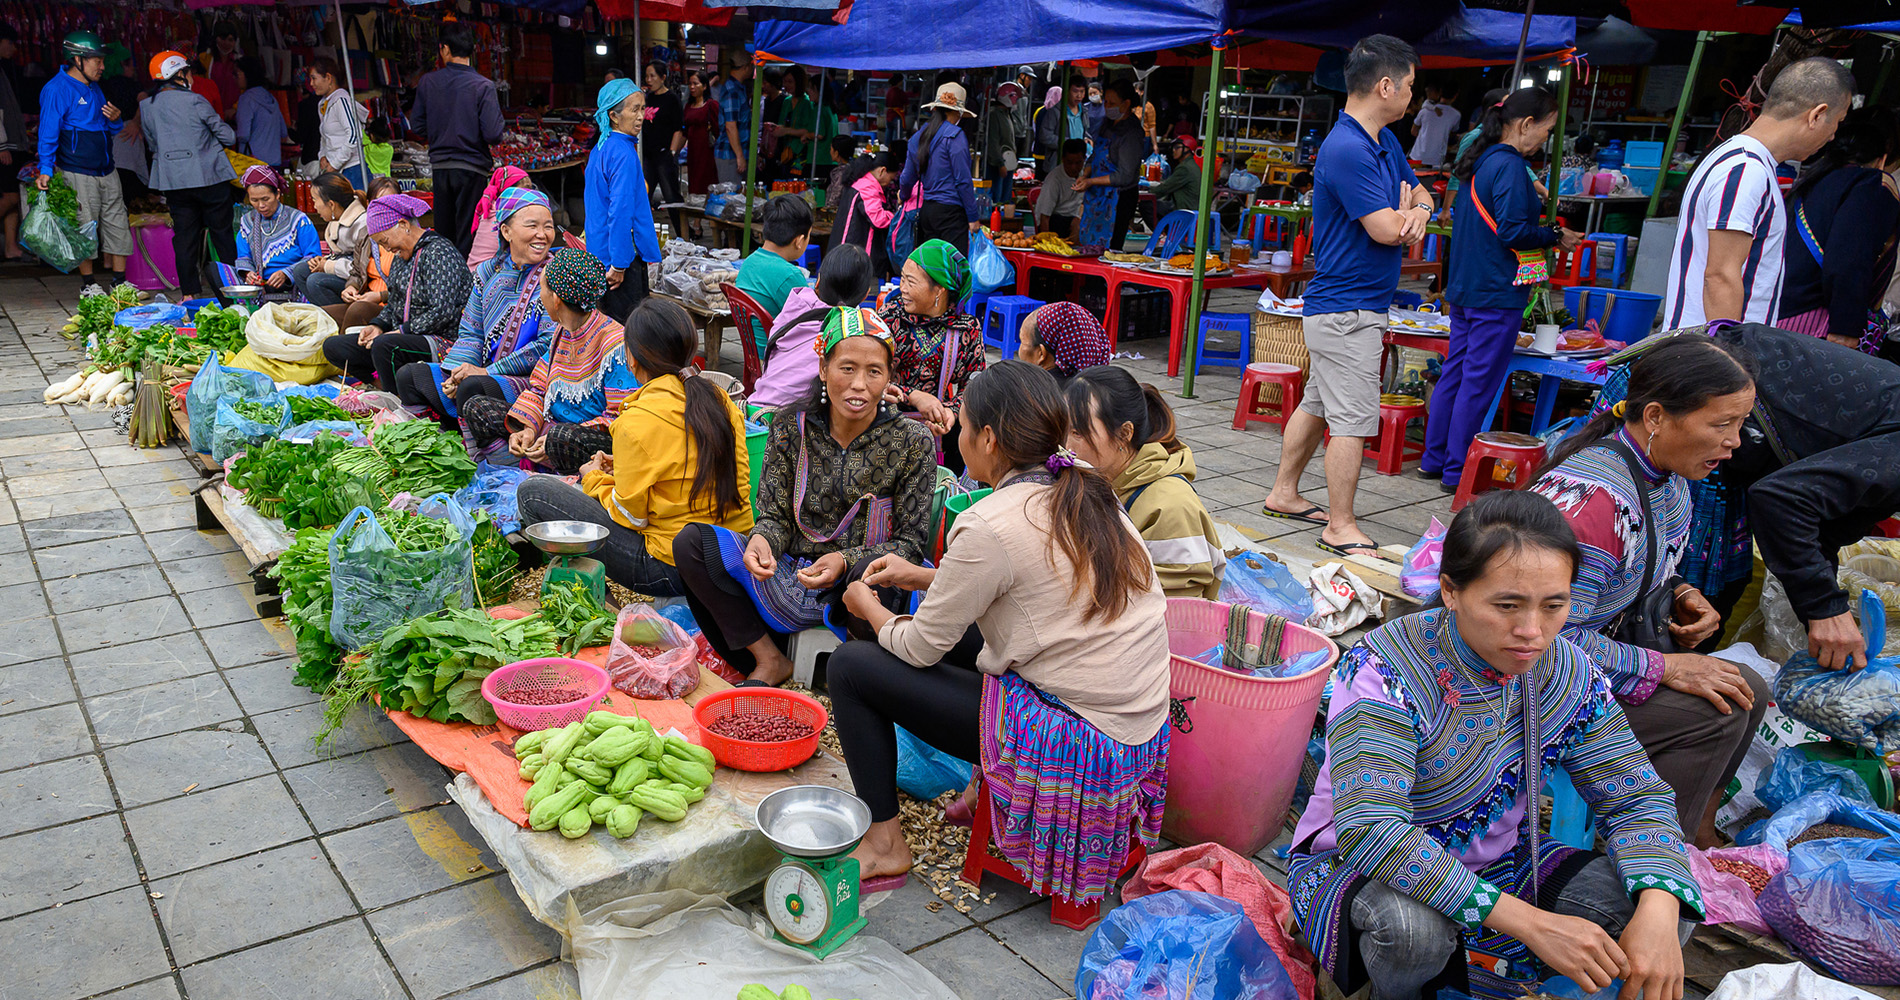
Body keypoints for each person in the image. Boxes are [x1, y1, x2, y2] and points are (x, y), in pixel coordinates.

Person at [1291, 489, 1702, 1000]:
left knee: (1663, 917)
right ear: (1450, 590)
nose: (1532, 631)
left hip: (1501, 862)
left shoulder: (1567, 671)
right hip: (1354, 868)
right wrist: (1532, 925)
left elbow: (1637, 796)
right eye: (1507, 605)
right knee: (1414, 932)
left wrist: (1659, 908)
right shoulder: (1386, 667)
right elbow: (1372, 829)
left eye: (1554, 605)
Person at [826, 359, 1171, 896]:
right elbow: (1037, 586)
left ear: (987, 438)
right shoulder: (1083, 486)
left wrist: (866, 604)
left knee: (851, 666)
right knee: (958, 632)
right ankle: (976, 791)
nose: (957, 435)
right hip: (1134, 727)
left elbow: (918, 649)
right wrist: (925, 575)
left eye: (962, 425)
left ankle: (885, 844)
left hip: (1075, 742)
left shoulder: (991, 520)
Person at [1533, 337, 1770, 851]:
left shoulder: (1670, 479)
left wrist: (1680, 591)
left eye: (1740, 424)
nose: (1735, 442)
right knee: (1714, 715)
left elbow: (1643, 566)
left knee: (1749, 686)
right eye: (1720, 424)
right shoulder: (1595, 505)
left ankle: (1695, 831)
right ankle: (1650, 868)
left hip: (1588, 664)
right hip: (1523, 684)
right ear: (1658, 417)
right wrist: (1666, 668)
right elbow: (1542, 641)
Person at [672, 307, 936, 686]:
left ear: (889, 377)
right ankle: (769, 658)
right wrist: (763, 539)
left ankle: (858, 677)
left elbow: (910, 545)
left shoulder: (913, 442)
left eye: (874, 371)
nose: (860, 384)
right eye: (847, 368)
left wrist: (845, 562)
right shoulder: (788, 428)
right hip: (790, 574)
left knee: (872, 576)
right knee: (692, 543)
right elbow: (774, 515)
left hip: (860, 592)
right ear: (823, 369)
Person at [1262, 34, 1434, 559]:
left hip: (1351, 306)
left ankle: (1284, 493)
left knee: (1317, 404)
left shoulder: (1383, 142)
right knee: (1354, 419)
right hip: (1346, 309)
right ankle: (1340, 526)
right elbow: (1385, 230)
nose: (1412, 96)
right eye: (1408, 85)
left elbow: (1423, 195)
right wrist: (1405, 220)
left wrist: (1417, 212)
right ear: (1385, 85)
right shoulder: (1348, 147)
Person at [518, 297, 753, 596]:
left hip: (672, 569)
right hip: (731, 553)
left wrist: (593, 478)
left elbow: (631, 517)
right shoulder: (720, 399)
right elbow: (692, 472)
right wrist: (624, 467)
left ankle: (581, 596)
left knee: (533, 492)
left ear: (631, 358)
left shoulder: (637, 421)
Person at [1422, 88, 1581, 492]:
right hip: (1495, 290)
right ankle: (1458, 472)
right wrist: (1554, 234)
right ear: (1526, 124)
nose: (1546, 138)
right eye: (1546, 130)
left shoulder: (1484, 159)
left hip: (1467, 286)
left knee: (1455, 375)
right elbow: (1513, 231)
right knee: (1477, 381)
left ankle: (1434, 459)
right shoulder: (1509, 166)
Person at [1664, 57, 1854, 330]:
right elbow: (1720, 276)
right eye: (1838, 121)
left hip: (1704, 352)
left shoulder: (1740, 159)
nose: (1834, 135)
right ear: (1816, 115)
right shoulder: (1745, 171)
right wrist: (1733, 359)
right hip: (1711, 358)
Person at [393, 186, 556, 445]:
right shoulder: (487, 272)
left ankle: (488, 456)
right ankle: (444, 443)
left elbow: (547, 346)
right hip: (483, 372)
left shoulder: (554, 276)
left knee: (473, 388)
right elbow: (471, 331)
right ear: (506, 231)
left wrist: (485, 372)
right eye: (532, 225)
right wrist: (458, 372)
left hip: (532, 381)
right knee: (410, 376)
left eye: (548, 226)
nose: (542, 234)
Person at [1064, 364, 1224, 598]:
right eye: (1064, 431)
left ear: (1124, 433)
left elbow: (1180, 606)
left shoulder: (1171, 506)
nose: (1067, 447)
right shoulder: (1100, 477)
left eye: (1078, 433)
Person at [498, 247, 639, 475]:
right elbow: (539, 387)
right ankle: (516, 468)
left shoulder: (615, 344)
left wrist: (551, 439)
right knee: (479, 407)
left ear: (555, 299)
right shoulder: (561, 332)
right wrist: (529, 429)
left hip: (590, 442)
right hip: (552, 429)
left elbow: (620, 417)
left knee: (560, 437)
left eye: (542, 288)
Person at [319, 192, 471, 391]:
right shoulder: (401, 259)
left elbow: (442, 312)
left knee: (385, 345)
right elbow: (395, 303)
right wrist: (378, 326)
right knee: (334, 346)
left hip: (442, 339)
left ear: (403, 225)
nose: (387, 248)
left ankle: (398, 399)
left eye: (384, 240)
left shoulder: (439, 252)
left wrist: (400, 331)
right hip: (402, 337)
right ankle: (380, 384)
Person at [1778, 107, 1900, 351]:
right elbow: (1850, 260)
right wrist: (1845, 330)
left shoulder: (1813, 180)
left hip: (1779, 309)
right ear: (1882, 159)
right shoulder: (1870, 185)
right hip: (1814, 321)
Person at [879, 239, 987, 473]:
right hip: (888, 425)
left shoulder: (966, 329)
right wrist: (912, 396)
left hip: (941, 433)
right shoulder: (890, 320)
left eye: (911, 281)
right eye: (903, 278)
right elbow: (868, 378)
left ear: (939, 289)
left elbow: (976, 384)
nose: (902, 288)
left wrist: (951, 411)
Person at [37, 31, 129, 294]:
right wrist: (45, 169)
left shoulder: (95, 87)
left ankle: (120, 283)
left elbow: (108, 128)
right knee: (84, 225)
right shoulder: (57, 89)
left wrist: (116, 120)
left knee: (117, 221)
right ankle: (89, 285)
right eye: (96, 61)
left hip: (107, 169)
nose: (102, 66)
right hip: (76, 170)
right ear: (77, 60)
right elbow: (47, 133)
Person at [140, 51, 237, 301]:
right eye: (189, 71)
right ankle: (231, 292)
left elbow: (153, 144)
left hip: (173, 183)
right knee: (222, 236)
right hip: (209, 179)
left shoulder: (147, 107)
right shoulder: (196, 101)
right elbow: (229, 137)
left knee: (184, 238)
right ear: (179, 74)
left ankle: (189, 294)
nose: (191, 76)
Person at [407, 24, 504, 256]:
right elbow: (494, 134)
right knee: (468, 234)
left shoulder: (428, 83)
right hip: (472, 169)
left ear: (445, 49)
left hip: (441, 167)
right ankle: (467, 286)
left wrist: (441, 128)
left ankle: (446, 282)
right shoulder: (483, 86)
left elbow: (417, 127)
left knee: (444, 233)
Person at [753, 245, 876, 410]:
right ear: (866, 294)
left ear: (817, 282)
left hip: (755, 406)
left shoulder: (795, 305)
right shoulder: (851, 334)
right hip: (789, 422)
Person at [584, 77, 662, 325]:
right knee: (628, 332)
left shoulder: (601, 148)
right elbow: (619, 212)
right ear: (614, 116)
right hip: (620, 259)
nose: (641, 116)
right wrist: (619, 264)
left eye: (642, 108)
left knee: (608, 329)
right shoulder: (623, 153)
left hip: (599, 254)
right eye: (634, 109)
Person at [898, 82, 981, 256]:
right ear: (958, 112)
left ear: (935, 109)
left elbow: (907, 179)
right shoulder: (955, 136)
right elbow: (963, 181)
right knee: (953, 271)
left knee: (930, 269)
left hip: (927, 212)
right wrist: (973, 217)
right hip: (952, 215)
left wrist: (903, 195)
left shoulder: (917, 138)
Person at [734, 194, 814, 354]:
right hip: (778, 359)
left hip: (754, 354)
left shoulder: (750, 262)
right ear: (799, 241)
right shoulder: (788, 275)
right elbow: (812, 323)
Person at [1074, 80, 1144, 251]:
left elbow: (1125, 176)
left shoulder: (1132, 133)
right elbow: (1096, 154)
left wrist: (1091, 182)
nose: (1107, 106)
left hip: (1118, 199)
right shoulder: (1107, 123)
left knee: (1108, 249)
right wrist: (1085, 174)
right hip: (1097, 197)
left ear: (1126, 104)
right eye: (1106, 102)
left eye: (1112, 103)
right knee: (1088, 245)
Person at [324, 176, 401, 330]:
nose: (386, 207)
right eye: (379, 202)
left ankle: (346, 351)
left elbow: (411, 287)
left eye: (391, 201)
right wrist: (351, 288)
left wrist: (380, 296)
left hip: (392, 305)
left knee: (357, 310)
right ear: (368, 204)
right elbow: (357, 272)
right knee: (321, 316)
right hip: (365, 299)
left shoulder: (404, 234)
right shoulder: (366, 233)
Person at [232, 165, 321, 292]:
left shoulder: (298, 220)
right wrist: (248, 273)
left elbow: (313, 257)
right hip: (260, 283)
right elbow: (243, 256)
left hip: (292, 281)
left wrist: (286, 273)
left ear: (277, 194)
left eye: (265, 199)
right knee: (215, 270)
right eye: (254, 200)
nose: (261, 205)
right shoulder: (247, 222)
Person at [288, 172, 368, 308]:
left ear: (331, 204)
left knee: (316, 281)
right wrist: (324, 261)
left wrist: (327, 266)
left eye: (314, 200)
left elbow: (362, 269)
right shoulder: (336, 219)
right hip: (345, 273)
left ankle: (339, 317)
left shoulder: (361, 224)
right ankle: (323, 312)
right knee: (301, 270)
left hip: (359, 282)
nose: (314, 206)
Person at [830, 150, 900, 280]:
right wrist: (898, 216)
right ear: (882, 171)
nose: (890, 184)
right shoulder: (868, 188)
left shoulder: (859, 181)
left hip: (844, 247)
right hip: (856, 253)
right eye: (890, 179)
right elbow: (878, 219)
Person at [306, 58, 368, 189]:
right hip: (337, 171)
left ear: (328, 78)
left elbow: (354, 135)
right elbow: (324, 136)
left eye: (314, 78)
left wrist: (334, 164)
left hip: (352, 170)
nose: (311, 83)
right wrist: (322, 155)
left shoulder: (341, 100)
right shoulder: (324, 103)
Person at [1014, 301, 1110, 381]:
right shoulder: (1096, 390)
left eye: (1022, 341)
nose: (1020, 350)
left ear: (1041, 354)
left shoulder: (1032, 396)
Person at [642, 61, 686, 237]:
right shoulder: (647, 98)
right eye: (647, 76)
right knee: (643, 196)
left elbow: (678, 128)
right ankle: (642, 235)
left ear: (663, 77)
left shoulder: (672, 99)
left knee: (671, 196)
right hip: (647, 155)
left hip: (664, 154)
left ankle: (683, 233)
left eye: (653, 76)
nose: (649, 80)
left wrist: (672, 153)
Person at [466, 165, 531, 272]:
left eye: (530, 188)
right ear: (509, 191)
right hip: (484, 274)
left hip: (474, 269)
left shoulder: (493, 206)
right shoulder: (505, 213)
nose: (529, 193)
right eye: (525, 189)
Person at [231, 57, 285, 167]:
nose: (234, 78)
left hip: (253, 162)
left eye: (237, 74)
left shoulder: (246, 99)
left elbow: (243, 135)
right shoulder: (271, 98)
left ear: (246, 74)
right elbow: (283, 131)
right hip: (275, 161)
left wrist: (228, 133)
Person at [680, 69, 722, 199]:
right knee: (694, 181)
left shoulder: (712, 105)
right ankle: (696, 218)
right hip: (692, 150)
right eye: (690, 84)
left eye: (695, 84)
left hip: (708, 151)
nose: (692, 87)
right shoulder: (688, 106)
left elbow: (718, 129)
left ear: (704, 86)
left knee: (707, 181)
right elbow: (684, 131)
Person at [0, 24, 23, 263]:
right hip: (3, 144)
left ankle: (10, 246)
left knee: (14, 193)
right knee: (10, 196)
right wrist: (2, 144)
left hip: (10, 142)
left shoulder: (3, 69)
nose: (14, 49)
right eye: (10, 43)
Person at [1035, 139, 1087, 239]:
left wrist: (1078, 218)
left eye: (1078, 163)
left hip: (1075, 218)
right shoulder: (1054, 179)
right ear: (1063, 159)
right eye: (1069, 162)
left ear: (1084, 159)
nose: (1073, 167)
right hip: (1054, 221)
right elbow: (1044, 216)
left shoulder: (1085, 174)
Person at [715, 55, 752, 186]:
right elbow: (730, 126)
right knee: (732, 199)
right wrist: (739, 155)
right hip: (730, 155)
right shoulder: (733, 91)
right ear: (745, 67)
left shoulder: (738, 88)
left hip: (735, 154)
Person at [1409, 82, 1462, 168]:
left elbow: (1413, 131)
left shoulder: (1425, 110)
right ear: (1456, 96)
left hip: (1417, 156)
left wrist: (1425, 137)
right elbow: (1452, 134)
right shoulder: (1456, 115)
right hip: (1437, 159)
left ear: (1440, 93)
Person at [985, 84, 1020, 209]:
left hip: (1008, 162)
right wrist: (1000, 164)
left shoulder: (1007, 114)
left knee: (1005, 201)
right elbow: (993, 141)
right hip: (997, 164)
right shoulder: (994, 115)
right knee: (996, 200)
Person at [1148, 136, 1201, 216]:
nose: (1173, 150)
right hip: (1191, 207)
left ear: (1187, 149)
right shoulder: (1191, 164)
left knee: (1147, 205)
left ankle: (1162, 228)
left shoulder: (1184, 168)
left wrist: (1147, 194)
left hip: (1185, 210)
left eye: (1177, 147)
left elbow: (1165, 188)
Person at [205, 23, 241, 118]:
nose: (226, 43)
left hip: (233, 116)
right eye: (222, 39)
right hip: (210, 114)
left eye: (230, 40)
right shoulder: (204, 59)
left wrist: (235, 108)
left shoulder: (240, 62)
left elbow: (245, 89)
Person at [1032, 85, 1064, 179]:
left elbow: (1034, 129)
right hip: (1053, 154)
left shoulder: (1039, 111)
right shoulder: (1059, 112)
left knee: (1038, 180)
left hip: (1038, 151)